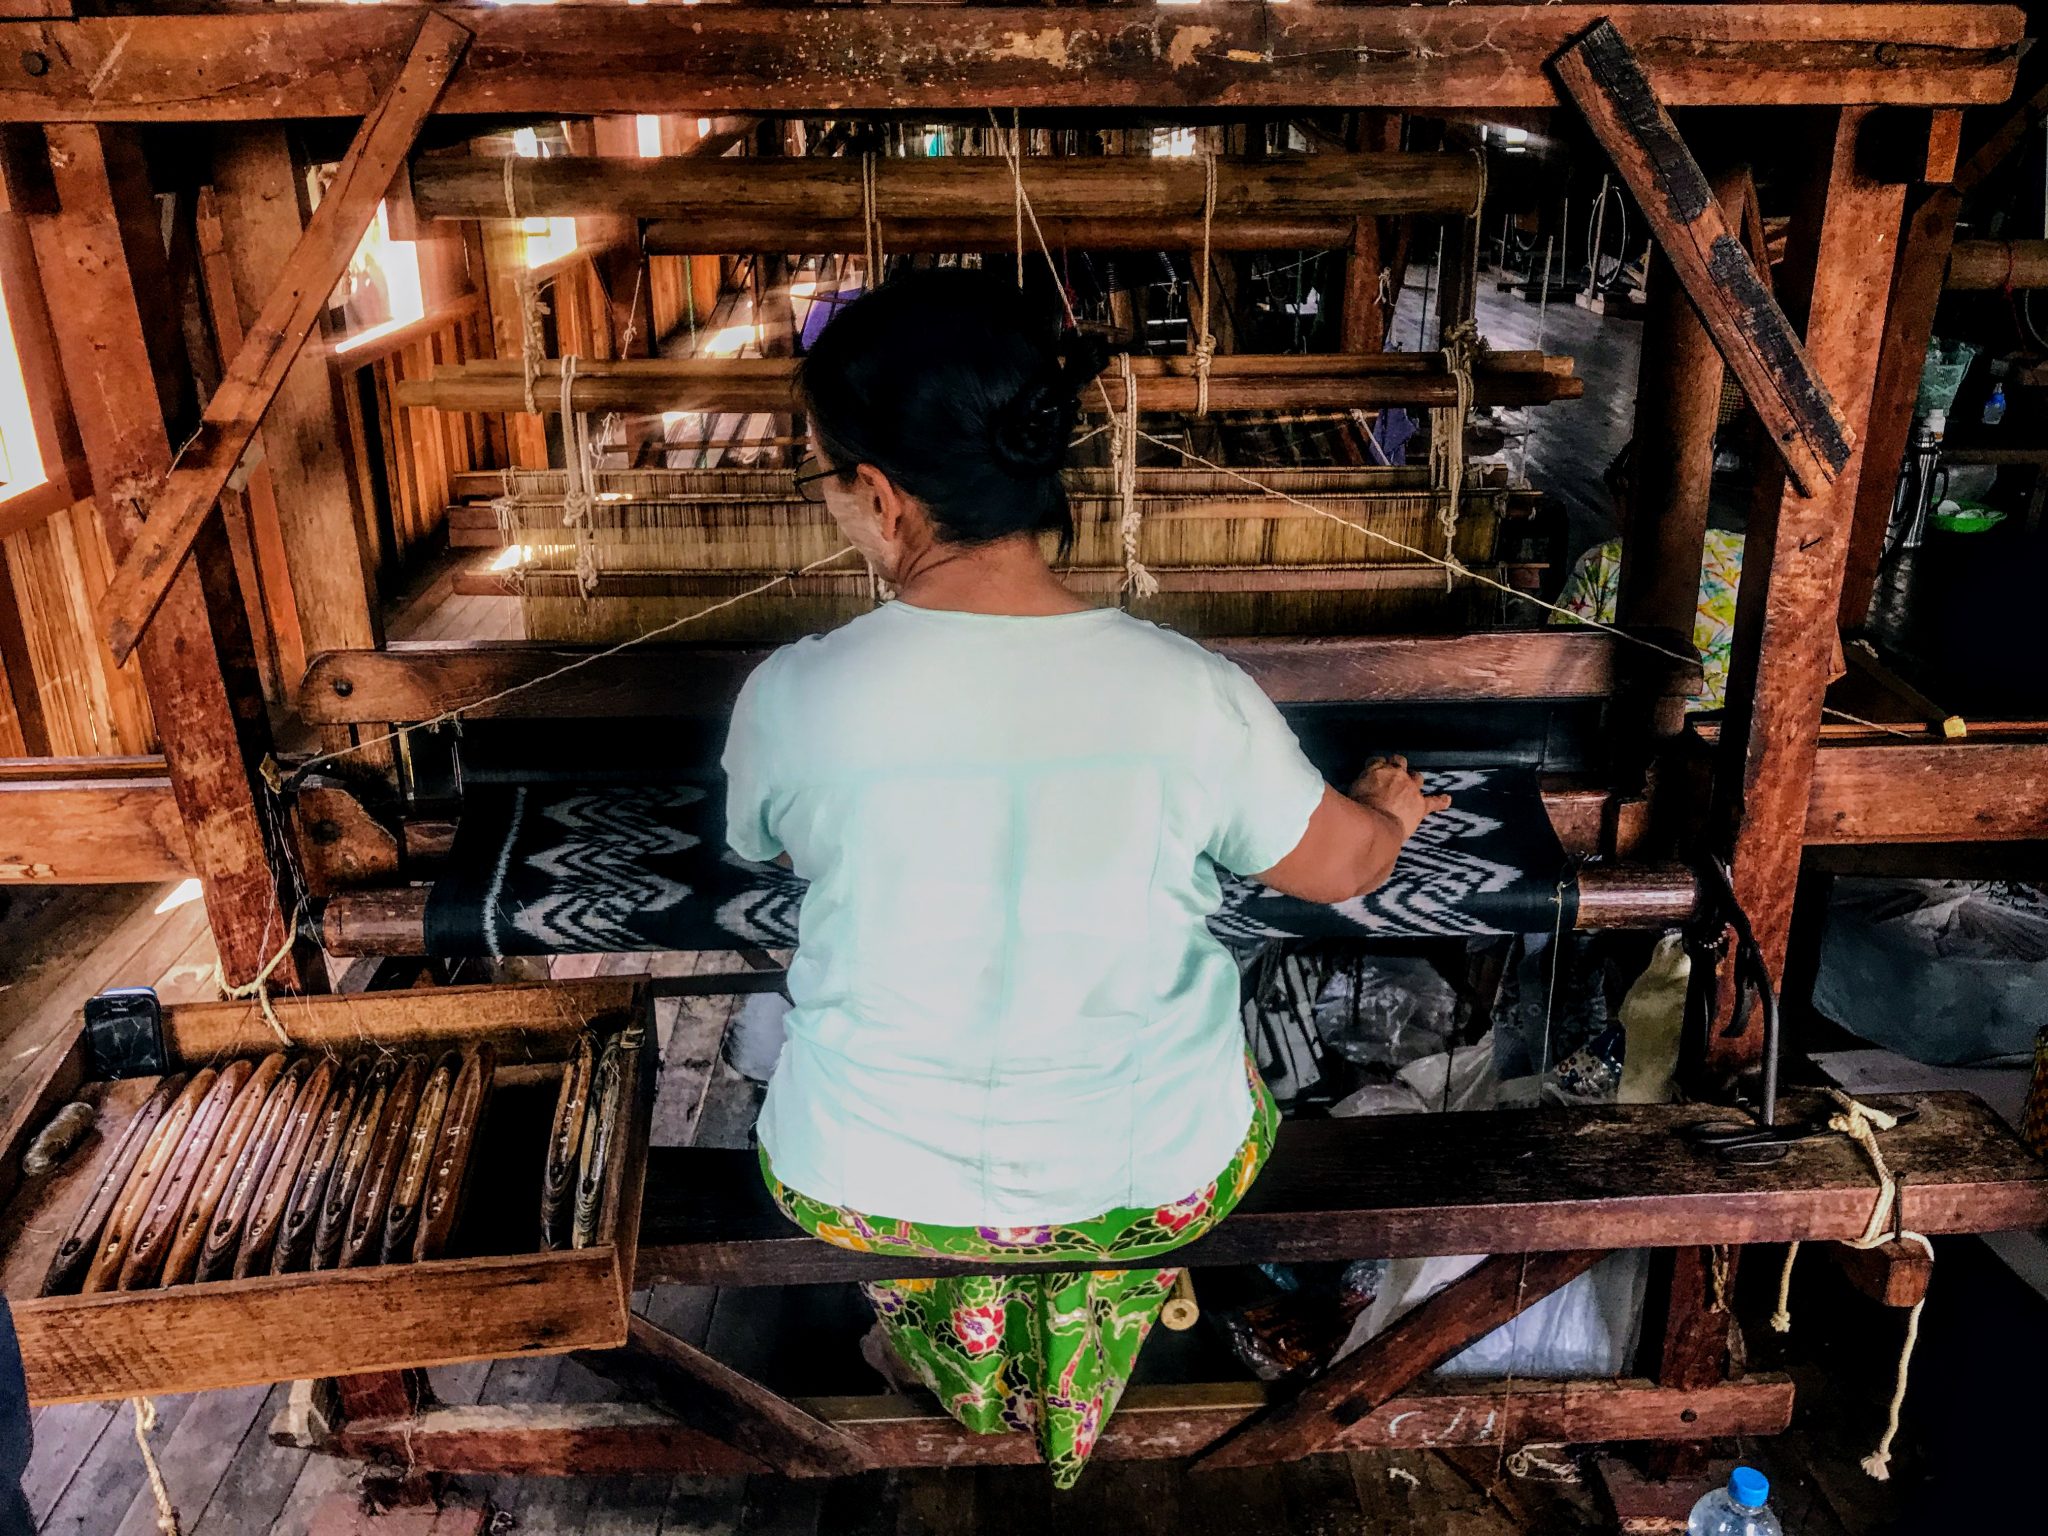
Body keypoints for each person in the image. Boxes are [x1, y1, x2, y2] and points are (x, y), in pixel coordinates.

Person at [723, 268, 1447, 1485]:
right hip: (1144, 1179)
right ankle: (1069, 1368)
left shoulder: (793, 694)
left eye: (832, 481)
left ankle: (957, 1369)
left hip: (860, 1180)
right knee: (1181, 1122)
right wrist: (1383, 809)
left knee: (927, 1198)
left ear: (881, 498)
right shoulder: (1185, 692)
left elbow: (771, 844)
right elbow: (1339, 870)